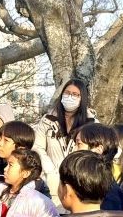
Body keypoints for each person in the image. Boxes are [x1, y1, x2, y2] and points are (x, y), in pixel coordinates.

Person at [33, 78, 96, 206]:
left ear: (82, 98)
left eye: (75, 94)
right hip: (49, 186)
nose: (70, 97)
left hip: (78, 186)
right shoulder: (47, 120)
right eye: (67, 93)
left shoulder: (91, 123)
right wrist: (50, 171)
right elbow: (37, 147)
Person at [73, 123, 123, 210]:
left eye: (79, 144)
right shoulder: (88, 183)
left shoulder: (109, 194)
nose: (74, 150)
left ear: (98, 150)